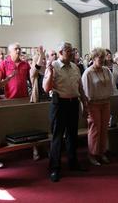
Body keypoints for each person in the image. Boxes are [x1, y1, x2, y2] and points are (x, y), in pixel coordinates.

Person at [43, 42, 87, 182]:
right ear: (61, 52)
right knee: (57, 136)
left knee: (72, 135)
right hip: (59, 104)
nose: (72, 53)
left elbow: (80, 87)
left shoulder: (75, 67)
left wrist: (84, 103)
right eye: (68, 51)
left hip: (73, 103)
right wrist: (50, 74)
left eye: (72, 50)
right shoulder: (53, 66)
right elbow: (46, 88)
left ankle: (73, 163)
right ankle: (55, 168)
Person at [82, 48, 113, 166]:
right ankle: (92, 154)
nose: (101, 59)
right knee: (95, 129)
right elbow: (84, 92)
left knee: (104, 128)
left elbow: (110, 86)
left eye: (102, 57)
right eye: (99, 57)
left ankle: (102, 152)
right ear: (93, 58)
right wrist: (85, 107)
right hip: (93, 104)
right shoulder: (88, 72)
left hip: (105, 102)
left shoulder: (106, 70)